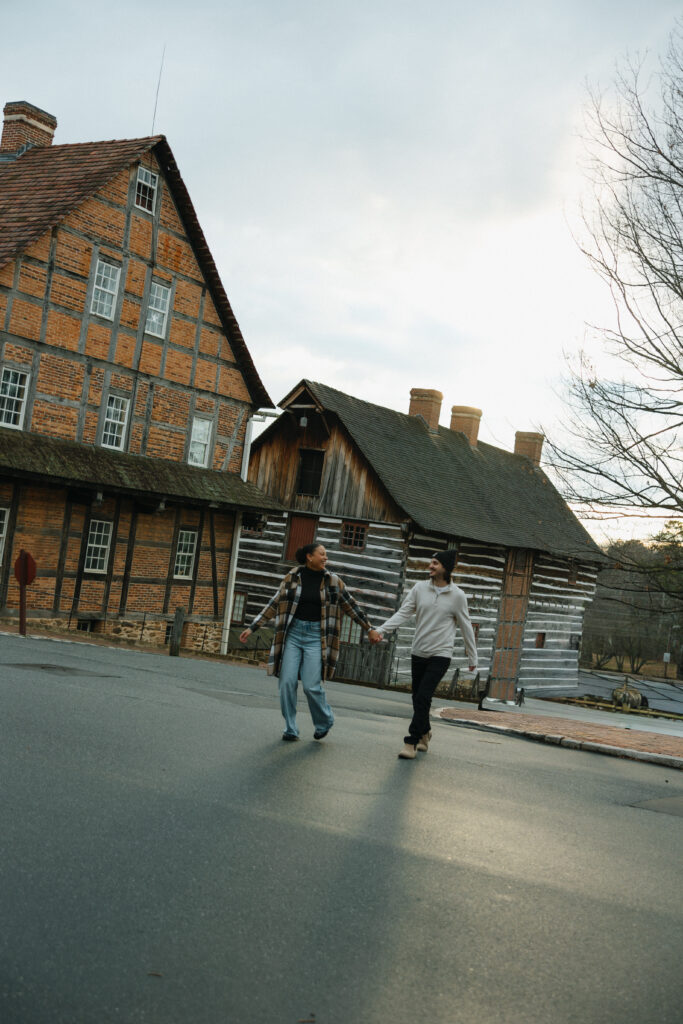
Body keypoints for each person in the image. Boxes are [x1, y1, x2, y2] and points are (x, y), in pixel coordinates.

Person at [239, 541, 381, 741]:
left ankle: (324, 721)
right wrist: (252, 626)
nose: (325, 558)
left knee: (311, 686)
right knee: (286, 682)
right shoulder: (292, 577)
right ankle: (290, 728)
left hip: (317, 637)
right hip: (293, 635)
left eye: (326, 555)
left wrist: (369, 628)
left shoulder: (333, 581)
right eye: (322, 554)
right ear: (309, 556)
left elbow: (351, 606)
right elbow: (275, 603)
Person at [375, 550, 478, 760]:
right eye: (431, 562)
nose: (430, 566)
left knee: (423, 695)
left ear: (446, 568)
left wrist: (472, 658)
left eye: (435, 563)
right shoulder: (419, 589)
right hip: (419, 651)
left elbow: (466, 626)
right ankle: (425, 731)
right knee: (419, 698)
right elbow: (403, 613)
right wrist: (381, 629)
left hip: (441, 654)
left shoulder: (457, 596)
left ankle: (411, 741)